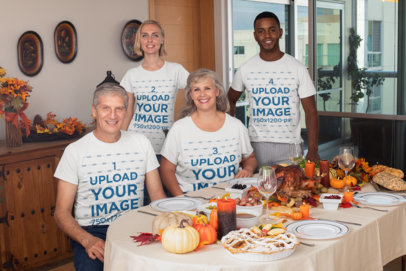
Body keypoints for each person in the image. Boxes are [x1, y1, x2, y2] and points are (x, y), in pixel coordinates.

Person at [54, 83, 166, 271]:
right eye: (106, 108)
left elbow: (156, 195)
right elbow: (61, 212)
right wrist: (87, 240)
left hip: (134, 224)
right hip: (93, 231)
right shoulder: (75, 151)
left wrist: (176, 219)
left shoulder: (141, 143)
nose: (113, 115)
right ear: (94, 111)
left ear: (125, 111)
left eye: (119, 109)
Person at [228, 11, 319, 167]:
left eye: (272, 29)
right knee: (256, 190)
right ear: (255, 35)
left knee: (292, 190)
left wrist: (312, 149)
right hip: (255, 146)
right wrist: (232, 137)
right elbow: (230, 99)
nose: (267, 35)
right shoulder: (245, 69)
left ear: (280, 32)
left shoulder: (297, 68)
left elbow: (311, 111)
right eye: (261, 31)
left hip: (290, 147)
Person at [160, 68, 257, 195]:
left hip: (230, 199)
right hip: (192, 203)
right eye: (196, 89)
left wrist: (248, 169)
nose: (202, 94)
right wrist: (181, 199)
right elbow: (166, 170)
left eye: (207, 88)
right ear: (191, 95)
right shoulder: (178, 129)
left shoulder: (236, 126)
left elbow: (250, 158)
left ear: (217, 91)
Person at [120, 19, 189, 156]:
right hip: (136, 143)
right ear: (140, 40)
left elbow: (199, 93)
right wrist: (119, 141)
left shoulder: (176, 70)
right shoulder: (131, 75)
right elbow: (127, 113)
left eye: (155, 35)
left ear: (162, 39)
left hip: (165, 145)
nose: (150, 40)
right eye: (145, 35)